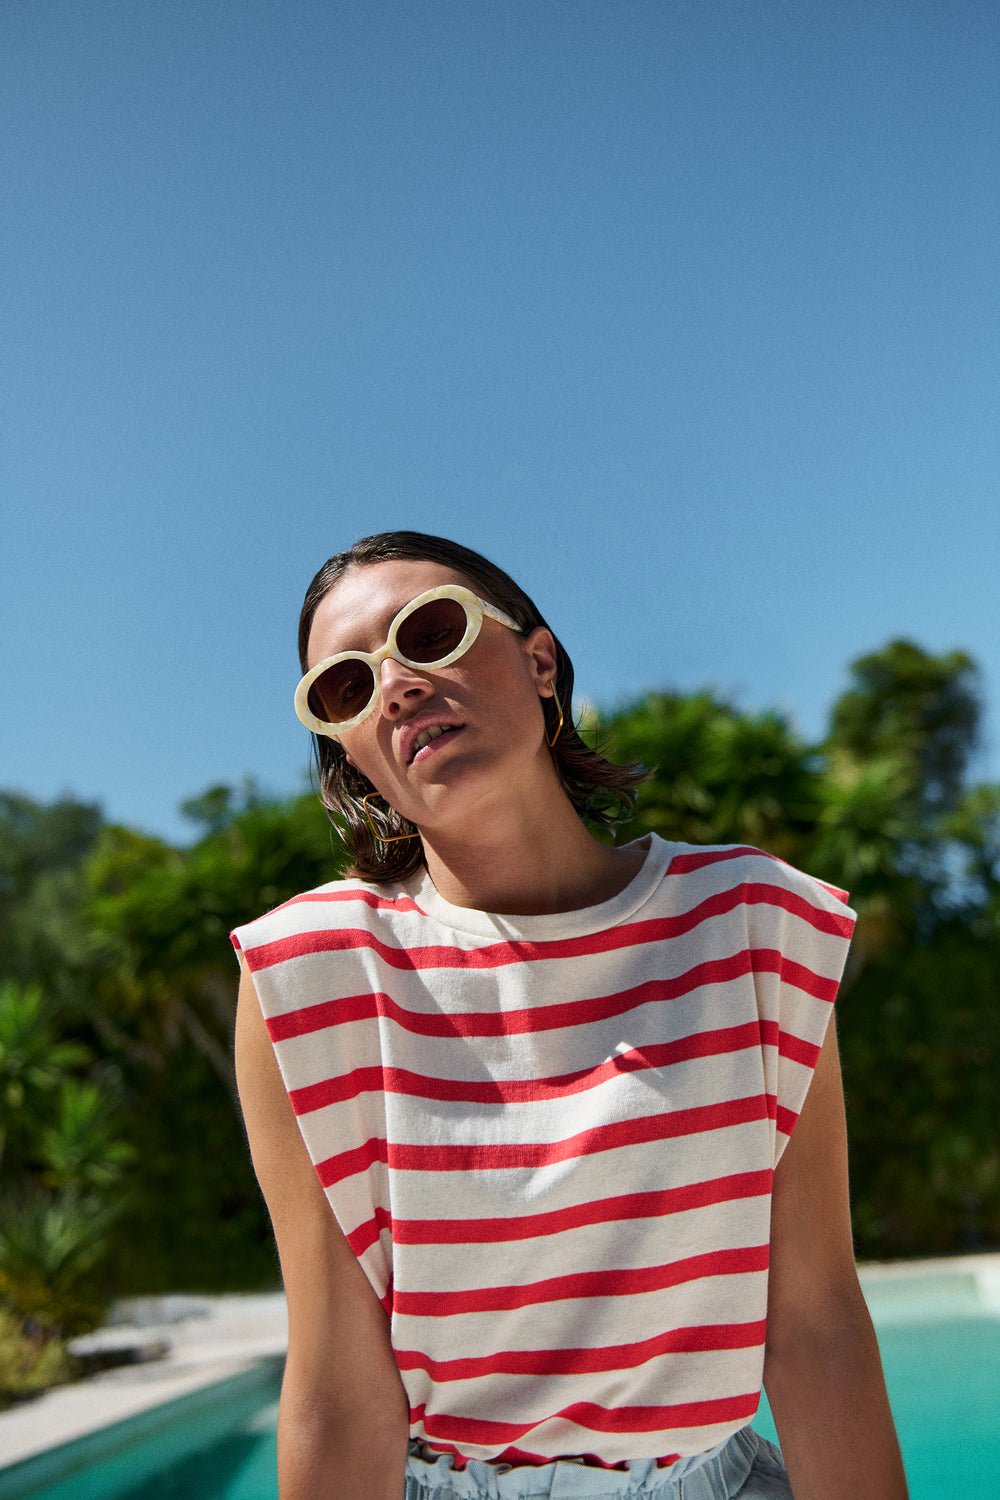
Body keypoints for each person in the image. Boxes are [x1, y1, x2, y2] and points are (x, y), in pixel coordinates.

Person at [232, 530, 909, 1500]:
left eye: (430, 632)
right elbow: (341, 1391)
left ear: (539, 662)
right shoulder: (310, 976)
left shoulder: (751, 925)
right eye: (346, 688)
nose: (398, 685)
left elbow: (814, 1326)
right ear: (349, 753)